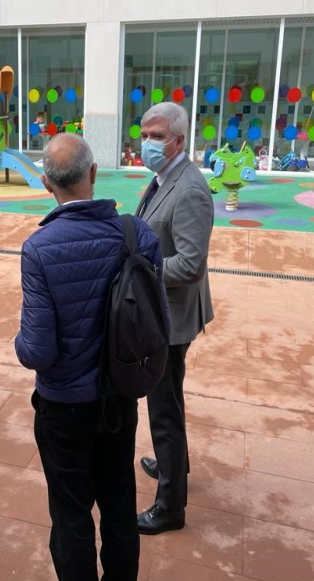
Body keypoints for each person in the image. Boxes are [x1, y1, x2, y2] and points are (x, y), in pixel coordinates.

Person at [15, 133, 165, 581]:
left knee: (71, 512)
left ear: (45, 184)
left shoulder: (39, 248)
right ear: (94, 174)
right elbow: (157, 318)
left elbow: (36, 351)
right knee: (119, 506)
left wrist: (19, 341)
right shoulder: (136, 234)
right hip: (119, 398)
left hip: (63, 407)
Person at [135, 102, 214, 535]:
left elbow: (190, 264)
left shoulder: (190, 189)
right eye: (145, 134)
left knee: (163, 407)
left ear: (179, 141)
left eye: (157, 136)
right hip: (165, 311)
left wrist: (139, 268)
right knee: (168, 399)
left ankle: (170, 506)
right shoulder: (164, 177)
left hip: (174, 316)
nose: (147, 143)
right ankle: (173, 464)